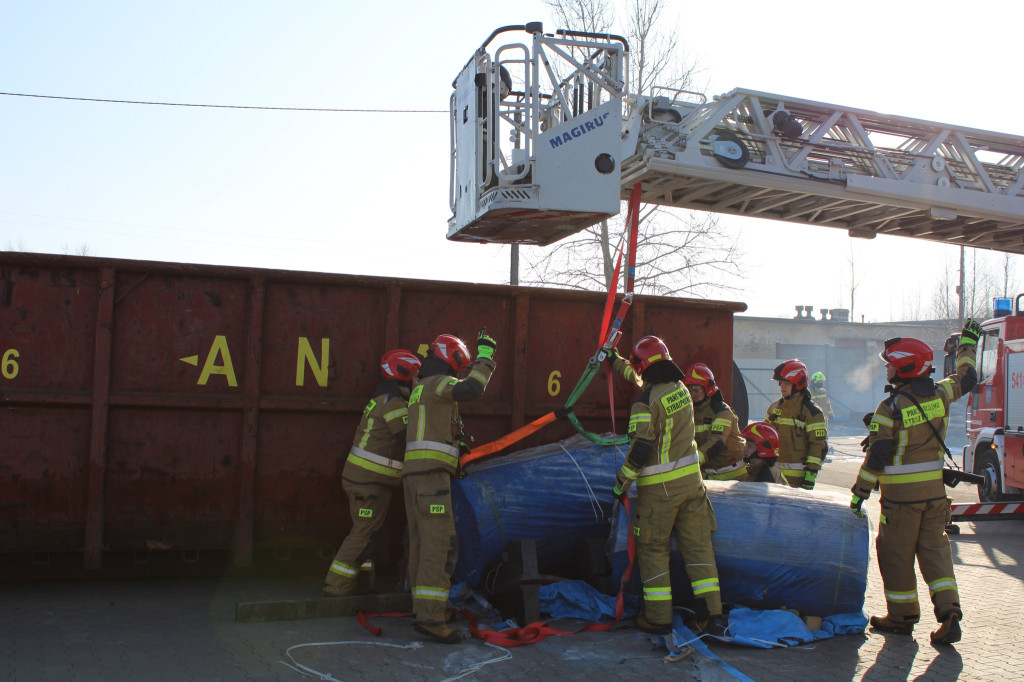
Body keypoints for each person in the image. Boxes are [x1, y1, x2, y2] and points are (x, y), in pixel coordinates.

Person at [851, 321, 980, 645]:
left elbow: (878, 458)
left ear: (904, 368)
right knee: (936, 554)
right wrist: (967, 344)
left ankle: (901, 617)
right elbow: (967, 378)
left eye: (890, 367)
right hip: (935, 498)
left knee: (894, 554)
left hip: (900, 504)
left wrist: (860, 493)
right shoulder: (940, 394)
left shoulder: (889, 408)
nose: (887, 373)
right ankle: (949, 613)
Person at [608, 337, 723, 635]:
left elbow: (640, 449)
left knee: (653, 550)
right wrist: (616, 362)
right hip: (693, 486)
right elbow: (643, 380)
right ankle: (709, 615)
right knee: (699, 549)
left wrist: (621, 484)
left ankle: (658, 618)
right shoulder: (681, 389)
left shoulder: (645, 403)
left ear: (644, 367)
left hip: (660, 493)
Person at [403, 330, 497, 644]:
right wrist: (485, 358)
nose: (458, 372)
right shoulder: (438, 384)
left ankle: (425, 608)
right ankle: (430, 618)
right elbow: (472, 389)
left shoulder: (419, 388)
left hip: (417, 478)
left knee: (421, 545)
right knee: (437, 546)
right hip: (431, 479)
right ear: (449, 359)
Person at [324, 349, 422, 597]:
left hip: (366, 481)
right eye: (416, 376)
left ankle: (363, 584)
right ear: (403, 375)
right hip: (368, 484)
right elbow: (408, 438)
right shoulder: (394, 404)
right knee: (365, 533)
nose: (418, 381)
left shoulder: (384, 398)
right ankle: (336, 586)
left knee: (369, 532)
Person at [766, 359, 828, 489]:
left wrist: (810, 475)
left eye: (786, 383)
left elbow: (818, 446)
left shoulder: (812, 413)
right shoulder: (774, 408)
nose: (782, 386)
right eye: (781, 382)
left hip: (798, 481)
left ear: (798, 383)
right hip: (772, 477)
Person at [684, 363, 747, 481]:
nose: (692, 395)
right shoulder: (689, 411)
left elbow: (715, 443)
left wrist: (692, 462)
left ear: (707, 390)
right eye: (688, 390)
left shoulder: (722, 412)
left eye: (696, 390)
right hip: (709, 473)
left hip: (733, 474)